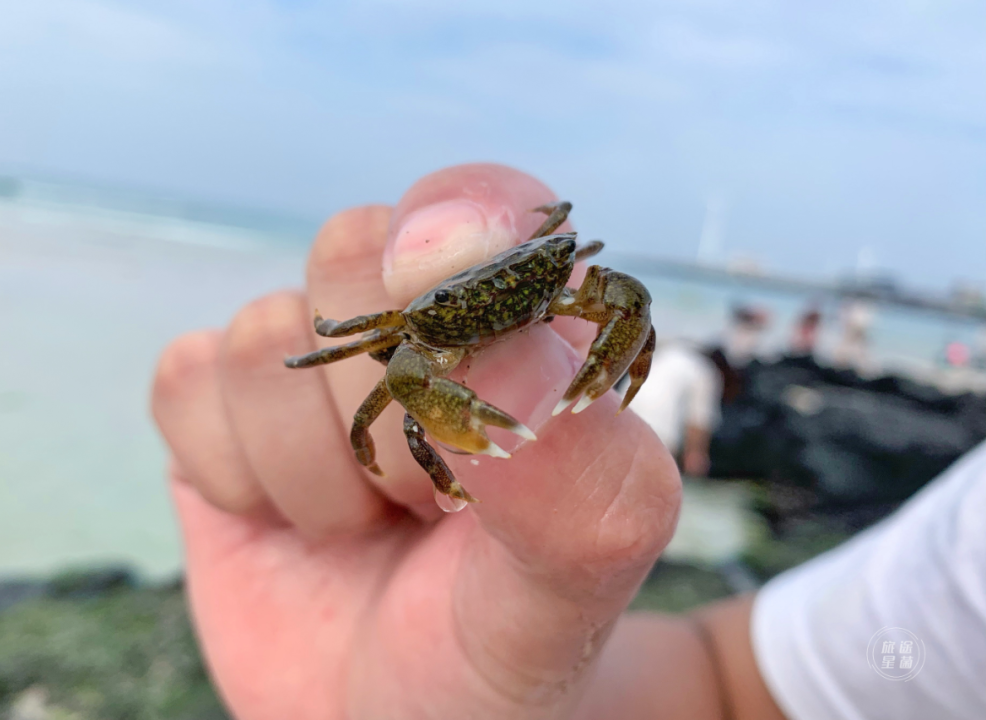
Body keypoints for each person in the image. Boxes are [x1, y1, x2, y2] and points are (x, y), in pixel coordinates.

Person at [151, 164, 985, 719]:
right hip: (429, 348)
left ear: (560, 259)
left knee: (627, 302)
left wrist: (619, 363)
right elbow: (733, 689)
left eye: (545, 268)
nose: (507, 305)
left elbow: (629, 306)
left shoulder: (575, 277)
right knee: (400, 407)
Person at [623, 338, 722, 477]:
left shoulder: (659, 358)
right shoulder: (703, 369)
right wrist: (695, 454)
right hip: (658, 434)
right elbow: (699, 420)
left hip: (621, 424)